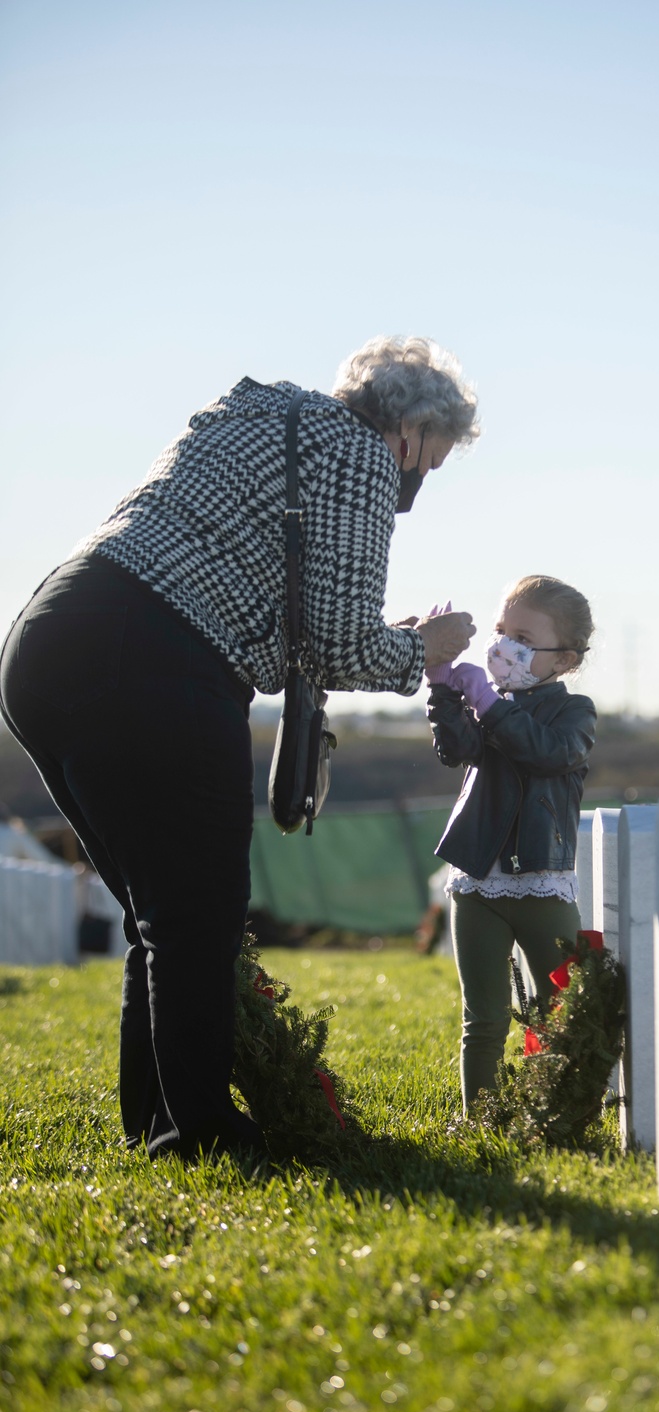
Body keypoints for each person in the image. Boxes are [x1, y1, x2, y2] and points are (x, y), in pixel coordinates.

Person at [0, 336, 478, 1161]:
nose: (422, 479)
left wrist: (374, 635)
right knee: (198, 916)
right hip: (155, 660)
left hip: (49, 638)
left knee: (159, 914)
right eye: (433, 461)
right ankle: (204, 1136)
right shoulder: (363, 456)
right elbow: (339, 644)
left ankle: (158, 1125)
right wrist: (426, 649)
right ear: (409, 436)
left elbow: (269, 588)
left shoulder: (257, 410)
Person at [425, 575, 597, 1112]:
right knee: (484, 1017)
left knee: (558, 1010)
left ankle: (554, 1116)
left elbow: (547, 753)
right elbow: (456, 750)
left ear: (563, 660)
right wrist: (444, 691)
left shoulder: (574, 713)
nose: (503, 643)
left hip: (539, 881)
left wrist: (489, 705)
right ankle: (480, 1119)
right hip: (476, 880)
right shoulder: (490, 704)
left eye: (522, 636)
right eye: (501, 630)